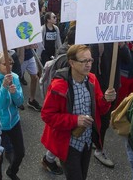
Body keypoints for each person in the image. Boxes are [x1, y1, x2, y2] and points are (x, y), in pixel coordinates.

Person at [41, 44, 116, 180]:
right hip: (68, 144)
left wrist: (106, 99)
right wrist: (75, 120)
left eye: (90, 60)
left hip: (87, 141)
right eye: (84, 61)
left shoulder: (92, 79)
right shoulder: (58, 86)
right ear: (72, 63)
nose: (88, 65)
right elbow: (47, 116)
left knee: (83, 175)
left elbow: (101, 109)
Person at [0, 52, 25, 180]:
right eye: (5, 64)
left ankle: (12, 171)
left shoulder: (15, 77)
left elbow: (19, 102)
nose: (9, 66)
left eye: (11, 63)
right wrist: (4, 87)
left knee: (20, 153)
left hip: (14, 121)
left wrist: (14, 93)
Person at [90, 42, 131, 168]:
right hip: (95, 86)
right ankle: (98, 149)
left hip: (112, 86)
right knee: (97, 119)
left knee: (104, 120)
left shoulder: (116, 40)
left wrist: (123, 46)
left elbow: (127, 60)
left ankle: (96, 143)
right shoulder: (90, 38)